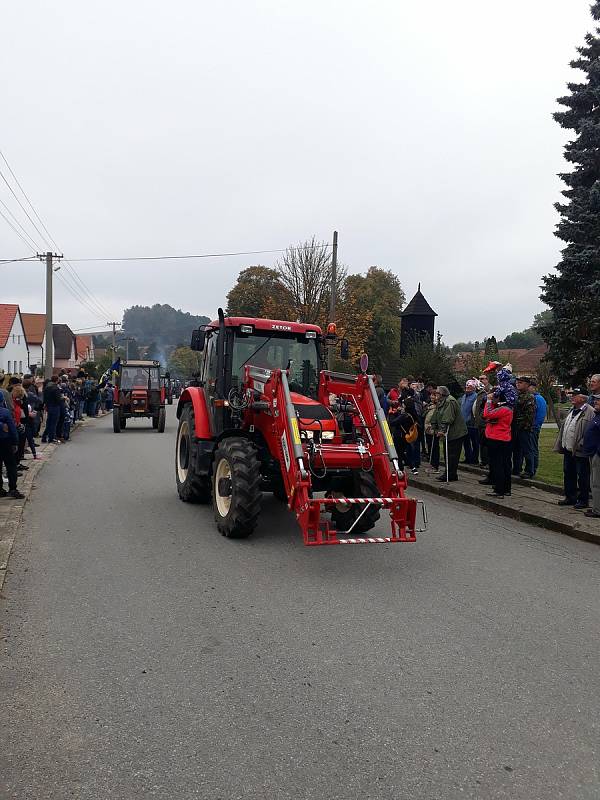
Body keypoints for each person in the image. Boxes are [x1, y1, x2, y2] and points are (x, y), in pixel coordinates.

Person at [554, 387, 595, 509]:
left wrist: (582, 444)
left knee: (582, 475)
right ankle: (570, 497)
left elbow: (590, 431)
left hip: (580, 450)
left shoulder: (590, 412)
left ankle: (583, 499)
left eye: (575, 395)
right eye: (572, 394)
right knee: (568, 473)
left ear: (583, 398)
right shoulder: (572, 410)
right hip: (568, 448)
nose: (572, 397)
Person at [482, 391, 514, 498]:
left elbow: (487, 414)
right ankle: (506, 489)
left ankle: (499, 489)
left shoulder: (504, 409)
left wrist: (489, 401)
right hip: (503, 439)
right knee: (505, 465)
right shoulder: (507, 408)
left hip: (497, 438)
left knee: (498, 465)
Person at [432, 386, 467, 482]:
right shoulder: (442, 402)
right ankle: (450, 473)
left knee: (452, 454)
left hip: (456, 432)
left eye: (437, 394)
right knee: (448, 453)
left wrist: (442, 430)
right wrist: (434, 425)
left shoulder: (449, 401)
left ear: (442, 394)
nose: (436, 396)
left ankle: (450, 474)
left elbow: (448, 417)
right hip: (450, 432)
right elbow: (437, 414)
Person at [0, 394, 24, 499]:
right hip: (5, 441)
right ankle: (13, 488)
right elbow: (12, 429)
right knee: (11, 465)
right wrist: (15, 442)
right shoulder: (5, 412)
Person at [512, 376, 536, 478]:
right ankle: (516, 468)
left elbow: (529, 415)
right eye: (517, 382)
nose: (518, 384)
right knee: (516, 450)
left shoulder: (529, 397)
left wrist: (525, 427)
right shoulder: (516, 395)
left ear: (527, 384)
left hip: (524, 427)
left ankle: (529, 470)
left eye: (520, 382)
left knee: (527, 450)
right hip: (515, 427)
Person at [582, 393, 600, 519]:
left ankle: (597, 510)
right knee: (593, 482)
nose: (595, 403)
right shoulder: (597, 415)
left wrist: (598, 451)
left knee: (596, 483)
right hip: (592, 452)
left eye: (598, 402)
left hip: (597, 454)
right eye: (595, 401)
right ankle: (595, 507)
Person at [529, 380, 547, 477]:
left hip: (534, 428)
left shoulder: (538, 399)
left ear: (533, 388)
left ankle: (533, 469)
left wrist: (534, 426)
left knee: (533, 449)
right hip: (530, 427)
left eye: (529, 387)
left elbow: (540, 415)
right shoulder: (532, 398)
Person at [460, 380, 480, 464]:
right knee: (466, 442)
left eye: (470, 387)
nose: (468, 388)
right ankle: (467, 458)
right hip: (464, 423)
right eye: (467, 386)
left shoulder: (476, 396)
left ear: (474, 388)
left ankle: (474, 459)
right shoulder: (464, 396)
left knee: (475, 442)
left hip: (472, 424)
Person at [41, 375, 62, 443]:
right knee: (53, 423)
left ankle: (44, 437)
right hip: (55, 406)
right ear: (57, 380)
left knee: (49, 422)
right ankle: (51, 438)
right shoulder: (55, 388)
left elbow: (44, 397)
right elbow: (58, 399)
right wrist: (63, 399)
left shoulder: (47, 387)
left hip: (49, 406)